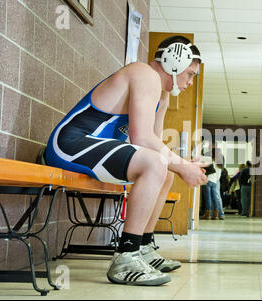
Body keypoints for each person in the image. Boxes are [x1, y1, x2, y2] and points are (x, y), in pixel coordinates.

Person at [45, 36, 208, 285]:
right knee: (156, 164)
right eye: (190, 73)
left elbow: (154, 142)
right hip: (69, 145)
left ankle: (142, 246)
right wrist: (183, 165)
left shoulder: (162, 95)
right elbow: (141, 139)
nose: (190, 82)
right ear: (175, 62)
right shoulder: (144, 74)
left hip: (92, 148)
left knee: (164, 171)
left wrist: (182, 164)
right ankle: (126, 256)